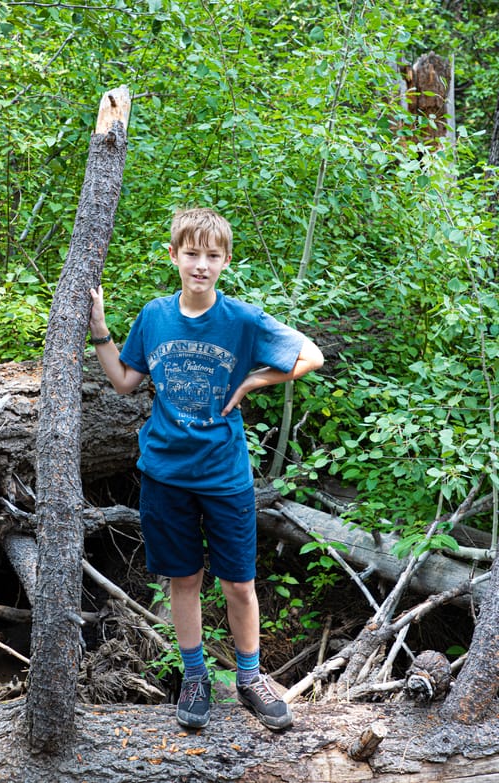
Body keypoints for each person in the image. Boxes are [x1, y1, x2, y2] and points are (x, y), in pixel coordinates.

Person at [89, 207, 324, 731]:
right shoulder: (154, 316)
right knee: (184, 579)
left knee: (239, 583)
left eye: (212, 256)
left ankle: (249, 677)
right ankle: (195, 678)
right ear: (174, 256)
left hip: (224, 475)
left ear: (225, 260)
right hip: (165, 474)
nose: (201, 265)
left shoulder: (240, 319)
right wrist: (101, 331)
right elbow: (126, 381)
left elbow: (311, 356)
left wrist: (251, 382)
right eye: (191, 254)